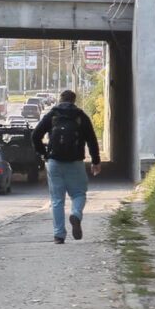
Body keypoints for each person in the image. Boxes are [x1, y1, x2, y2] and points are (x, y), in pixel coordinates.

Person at [33, 89, 102, 244]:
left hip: (54, 162)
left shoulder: (53, 115)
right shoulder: (81, 117)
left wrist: (44, 153)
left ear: (60, 100)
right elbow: (92, 140)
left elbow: (35, 135)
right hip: (75, 162)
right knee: (79, 194)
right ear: (73, 100)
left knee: (57, 200)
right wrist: (95, 161)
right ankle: (76, 215)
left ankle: (59, 235)